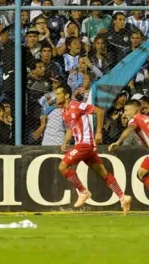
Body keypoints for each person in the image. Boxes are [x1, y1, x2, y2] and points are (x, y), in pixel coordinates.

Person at [55, 84, 132, 214]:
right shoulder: (64, 111)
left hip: (85, 144)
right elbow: (70, 127)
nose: (55, 96)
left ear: (67, 95)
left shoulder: (77, 105)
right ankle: (123, 197)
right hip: (83, 146)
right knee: (103, 173)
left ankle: (83, 191)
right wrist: (66, 141)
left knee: (63, 167)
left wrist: (99, 132)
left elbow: (99, 111)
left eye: (58, 93)